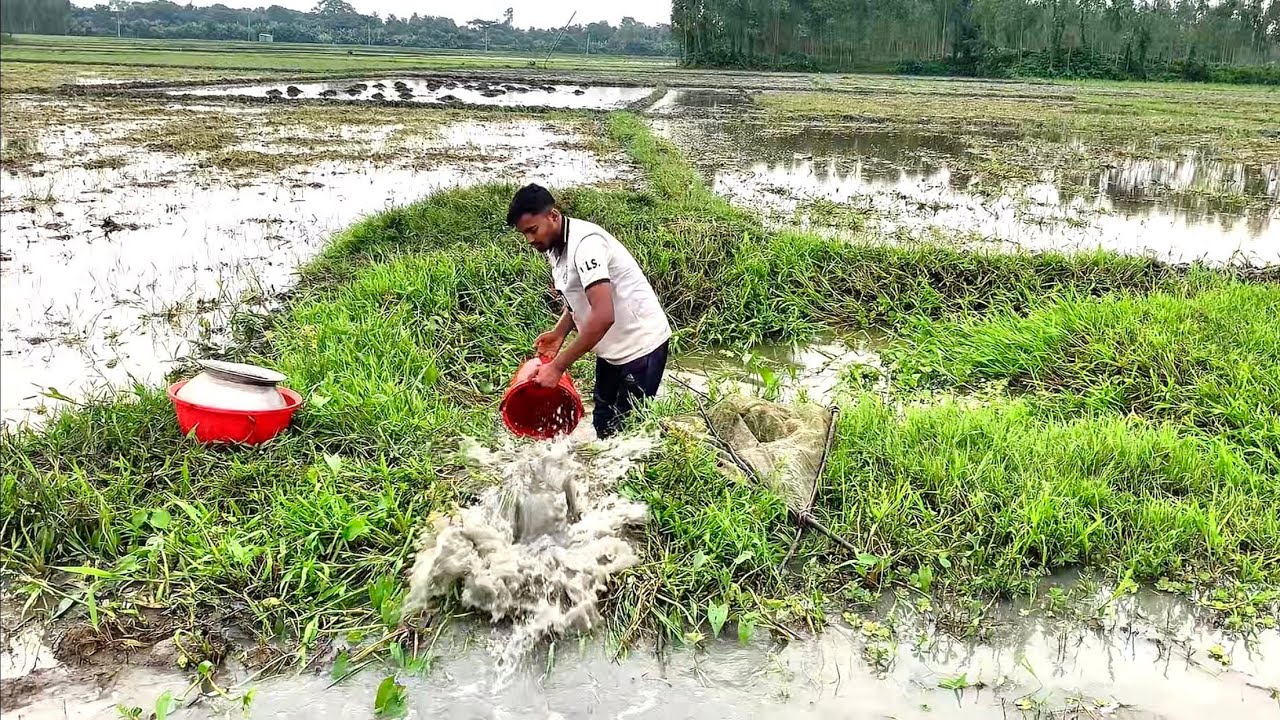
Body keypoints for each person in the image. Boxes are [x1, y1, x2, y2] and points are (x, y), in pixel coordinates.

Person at [507, 184, 671, 439]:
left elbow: (604, 315)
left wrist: (558, 366)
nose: (529, 240)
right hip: (611, 350)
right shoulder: (555, 246)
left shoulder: (586, 245)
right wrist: (559, 333)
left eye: (532, 230)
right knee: (604, 420)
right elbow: (578, 298)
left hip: (641, 347)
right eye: (524, 234)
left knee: (629, 433)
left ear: (553, 215)